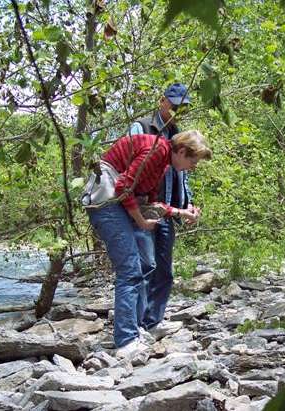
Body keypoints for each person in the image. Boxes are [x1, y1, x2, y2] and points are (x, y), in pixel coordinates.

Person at [87, 130, 212, 358]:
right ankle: (126, 342)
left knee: (146, 265)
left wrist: (182, 212)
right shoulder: (157, 150)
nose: (193, 167)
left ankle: (136, 330)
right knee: (130, 270)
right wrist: (142, 222)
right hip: (105, 203)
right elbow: (123, 186)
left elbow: (150, 201)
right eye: (192, 162)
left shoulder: (164, 162)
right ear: (182, 151)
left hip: (116, 202)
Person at [128, 83, 199, 335]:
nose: (179, 110)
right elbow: (129, 166)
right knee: (145, 266)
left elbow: (183, 175)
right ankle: (136, 326)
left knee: (164, 271)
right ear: (162, 101)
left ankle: (153, 322)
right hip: (145, 208)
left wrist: (187, 202)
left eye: (183, 107)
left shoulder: (178, 132)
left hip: (169, 212)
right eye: (175, 105)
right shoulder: (142, 127)